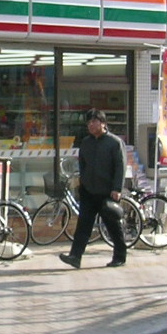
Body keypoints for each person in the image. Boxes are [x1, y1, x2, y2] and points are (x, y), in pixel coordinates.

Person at [60, 109, 127, 270]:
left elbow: (120, 167)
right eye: (88, 122)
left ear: (103, 123)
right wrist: (82, 183)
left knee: (112, 225)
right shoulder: (86, 142)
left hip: (107, 192)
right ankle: (75, 256)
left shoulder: (114, 142)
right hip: (88, 191)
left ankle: (120, 256)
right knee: (83, 225)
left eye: (94, 122)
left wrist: (117, 188)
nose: (90, 125)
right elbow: (82, 164)